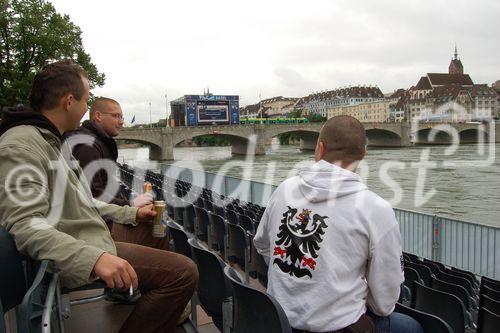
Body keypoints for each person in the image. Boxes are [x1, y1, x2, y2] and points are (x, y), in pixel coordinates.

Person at [0, 60, 198, 332]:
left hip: (91, 238)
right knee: (183, 273)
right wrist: (93, 258)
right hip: (80, 250)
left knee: (156, 229)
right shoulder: (21, 145)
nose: (86, 109)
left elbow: (83, 201)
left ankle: (153, 303)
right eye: (86, 100)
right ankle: (157, 308)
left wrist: (131, 213)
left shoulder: (48, 140)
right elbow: (24, 225)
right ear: (69, 101)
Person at [253, 116, 422, 333]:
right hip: (339, 328)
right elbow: (384, 303)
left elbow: (262, 244)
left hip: (279, 319)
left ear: (320, 148)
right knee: (411, 327)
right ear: (363, 154)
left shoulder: (284, 189)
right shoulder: (376, 209)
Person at [63, 97, 166, 249]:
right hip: (97, 231)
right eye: (116, 116)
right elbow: (93, 195)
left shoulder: (98, 142)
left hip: (103, 221)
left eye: (121, 117)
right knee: (157, 232)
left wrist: (131, 207)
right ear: (98, 116)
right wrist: (130, 205)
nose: (121, 122)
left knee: (156, 227)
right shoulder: (88, 146)